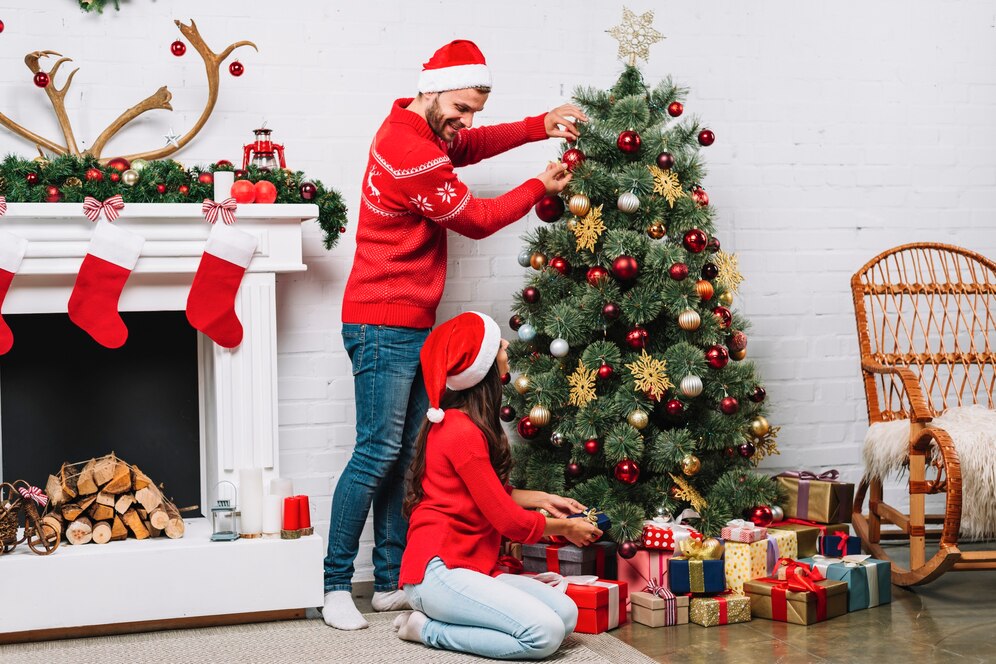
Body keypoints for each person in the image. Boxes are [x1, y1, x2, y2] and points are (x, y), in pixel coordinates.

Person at [323, 38, 588, 630]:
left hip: (411, 322)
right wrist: (540, 187)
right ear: (434, 86)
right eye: (462, 107)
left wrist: (538, 125)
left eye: (474, 110)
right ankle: (336, 584)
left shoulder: (419, 126)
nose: (466, 122)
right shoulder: (407, 149)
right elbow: (475, 219)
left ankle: (391, 580)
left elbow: (470, 145)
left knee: (406, 456)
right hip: (380, 321)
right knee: (376, 453)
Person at [394, 311, 602, 659]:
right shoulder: (461, 432)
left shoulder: (465, 422)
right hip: (439, 572)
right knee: (543, 635)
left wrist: (545, 498)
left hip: (472, 564)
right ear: (482, 366)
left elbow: (488, 493)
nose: (506, 345)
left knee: (565, 615)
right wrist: (565, 528)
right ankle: (427, 629)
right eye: (498, 344)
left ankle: (454, 618)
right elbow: (508, 522)